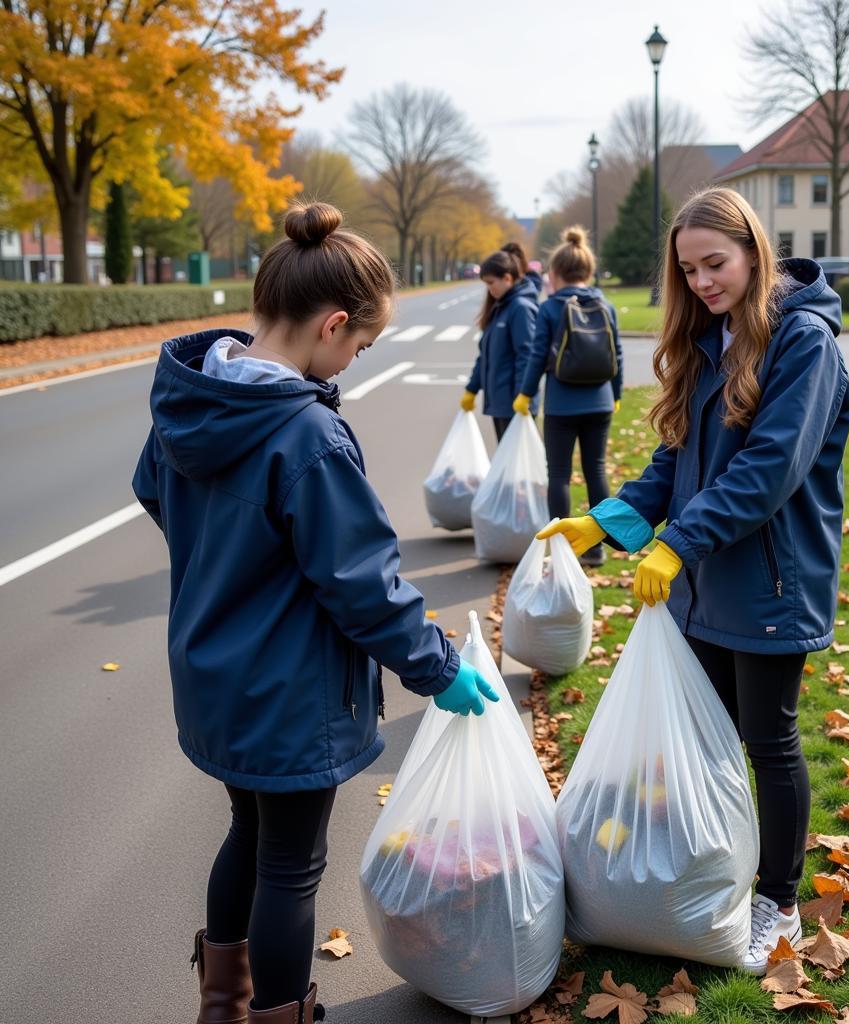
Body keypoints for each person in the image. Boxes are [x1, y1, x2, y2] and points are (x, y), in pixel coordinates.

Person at [132, 201, 498, 1024]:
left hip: (212, 672)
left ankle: (221, 1006)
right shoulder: (305, 436)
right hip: (291, 688)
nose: (353, 364)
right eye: (360, 346)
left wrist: (229, 554)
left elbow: (154, 492)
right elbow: (361, 582)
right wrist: (437, 667)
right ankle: (281, 1013)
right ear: (333, 325)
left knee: (247, 836)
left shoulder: (190, 398)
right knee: (291, 867)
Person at [538, 187, 849, 972]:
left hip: (771, 580)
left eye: (717, 263)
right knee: (705, 743)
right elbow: (675, 460)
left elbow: (766, 472)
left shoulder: (803, 342)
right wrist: (606, 522)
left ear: (754, 251)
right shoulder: (713, 338)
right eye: (690, 269)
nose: (705, 281)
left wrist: (677, 542)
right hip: (705, 582)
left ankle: (776, 901)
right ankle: (702, 871)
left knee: (766, 740)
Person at [515, 226, 622, 567]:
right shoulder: (605, 304)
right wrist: (615, 394)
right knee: (596, 471)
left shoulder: (550, 308)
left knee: (558, 474)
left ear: (555, 273)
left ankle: (561, 550)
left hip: (561, 402)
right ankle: (596, 548)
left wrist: (526, 394)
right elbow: (616, 354)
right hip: (601, 401)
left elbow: (536, 356)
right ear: (588, 271)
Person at [461, 249, 539, 441]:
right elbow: (485, 355)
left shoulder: (520, 308)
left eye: (491, 283)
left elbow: (526, 355)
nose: (489, 289)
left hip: (515, 404)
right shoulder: (500, 308)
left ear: (507, 278)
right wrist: (472, 388)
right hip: (502, 403)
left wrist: (523, 395)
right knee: (507, 467)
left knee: (517, 468)